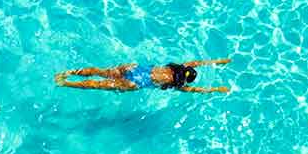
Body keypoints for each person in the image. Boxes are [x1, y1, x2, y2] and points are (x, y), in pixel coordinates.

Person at [54, 58, 231, 93]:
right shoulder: (179, 84)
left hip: (135, 69)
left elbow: (198, 63)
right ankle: (65, 83)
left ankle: (69, 72)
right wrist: (217, 89)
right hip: (135, 82)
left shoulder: (180, 66)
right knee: (98, 85)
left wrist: (221, 61)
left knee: (102, 71)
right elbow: (197, 90)